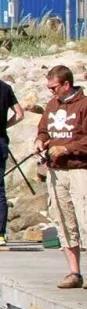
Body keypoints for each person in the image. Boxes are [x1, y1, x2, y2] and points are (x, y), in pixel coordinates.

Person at [35, 65, 87, 289]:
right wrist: (40, 141)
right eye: (49, 88)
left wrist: (67, 149)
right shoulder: (52, 105)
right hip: (57, 172)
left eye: (54, 88)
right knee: (64, 222)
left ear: (66, 84)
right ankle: (74, 272)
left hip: (80, 171)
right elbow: (44, 130)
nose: (51, 92)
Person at [0, 75, 20, 246]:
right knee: (0, 189)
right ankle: (0, 234)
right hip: (0, 142)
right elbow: (20, 114)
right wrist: (4, 126)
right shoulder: (5, 88)